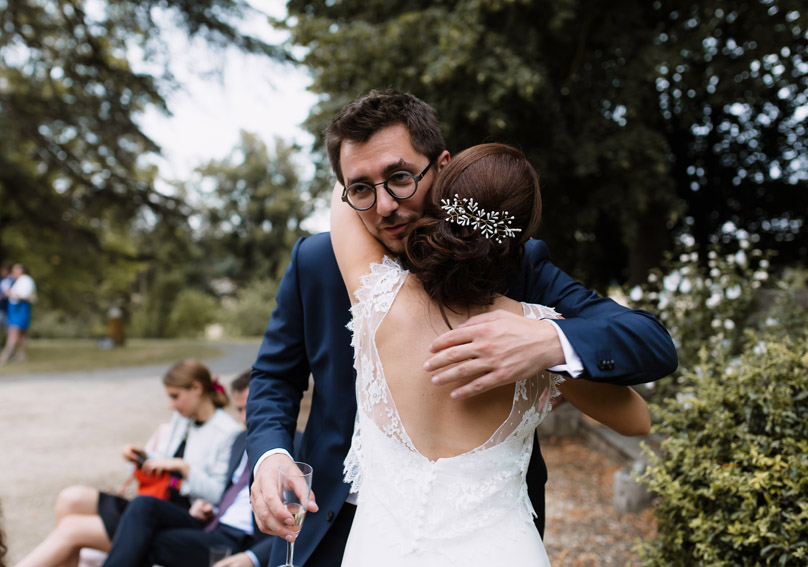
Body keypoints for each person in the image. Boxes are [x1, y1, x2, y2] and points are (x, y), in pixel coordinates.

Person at [247, 89, 677, 567]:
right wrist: (270, 455)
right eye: (362, 189)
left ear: (443, 166)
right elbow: (274, 377)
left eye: (401, 177)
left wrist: (550, 341)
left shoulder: (523, 265)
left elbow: (649, 342)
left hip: (486, 532)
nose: (385, 206)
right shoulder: (316, 261)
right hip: (333, 521)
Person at [332, 142, 651, 565]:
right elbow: (638, 420)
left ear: (438, 204)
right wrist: (550, 345)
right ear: (523, 239)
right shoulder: (537, 334)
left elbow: (341, 197)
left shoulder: (377, 297)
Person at [15, 359, 242, 567]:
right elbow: (161, 462)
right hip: (153, 500)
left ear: (196, 388)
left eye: (175, 396)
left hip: (184, 515)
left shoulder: (227, 432)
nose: (172, 405)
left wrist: (183, 468)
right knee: (70, 498)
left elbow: (221, 495)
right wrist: (140, 456)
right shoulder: (182, 420)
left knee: (73, 527)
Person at [102, 371, 272, 567]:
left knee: (146, 542)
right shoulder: (241, 439)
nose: (245, 417)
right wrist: (210, 505)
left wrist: (253, 556)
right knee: (143, 505)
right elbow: (225, 489)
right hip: (212, 519)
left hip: (241, 537)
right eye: (240, 409)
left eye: (250, 408)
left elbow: (303, 519)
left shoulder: (292, 446)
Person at [0, 264, 35, 365]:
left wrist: (10, 293)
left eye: (16, 270)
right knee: (21, 334)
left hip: (19, 309)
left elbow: (25, 296)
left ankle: (5, 356)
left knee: (13, 332)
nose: (13, 272)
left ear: (22, 271)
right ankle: (21, 356)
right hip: (16, 309)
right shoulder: (18, 280)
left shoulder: (25, 280)